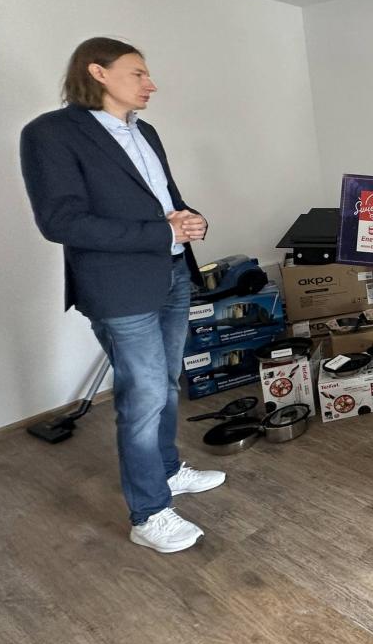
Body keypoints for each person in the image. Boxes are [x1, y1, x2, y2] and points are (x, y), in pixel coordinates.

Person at [19, 37, 224, 554]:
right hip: (118, 287)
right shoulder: (49, 133)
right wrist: (162, 231)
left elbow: (165, 201)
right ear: (98, 72)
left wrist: (189, 219)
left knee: (166, 382)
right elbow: (62, 221)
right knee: (144, 395)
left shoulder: (144, 131)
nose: (151, 84)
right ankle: (148, 513)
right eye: (139, 73)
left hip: (173, 274)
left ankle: (168, 470)